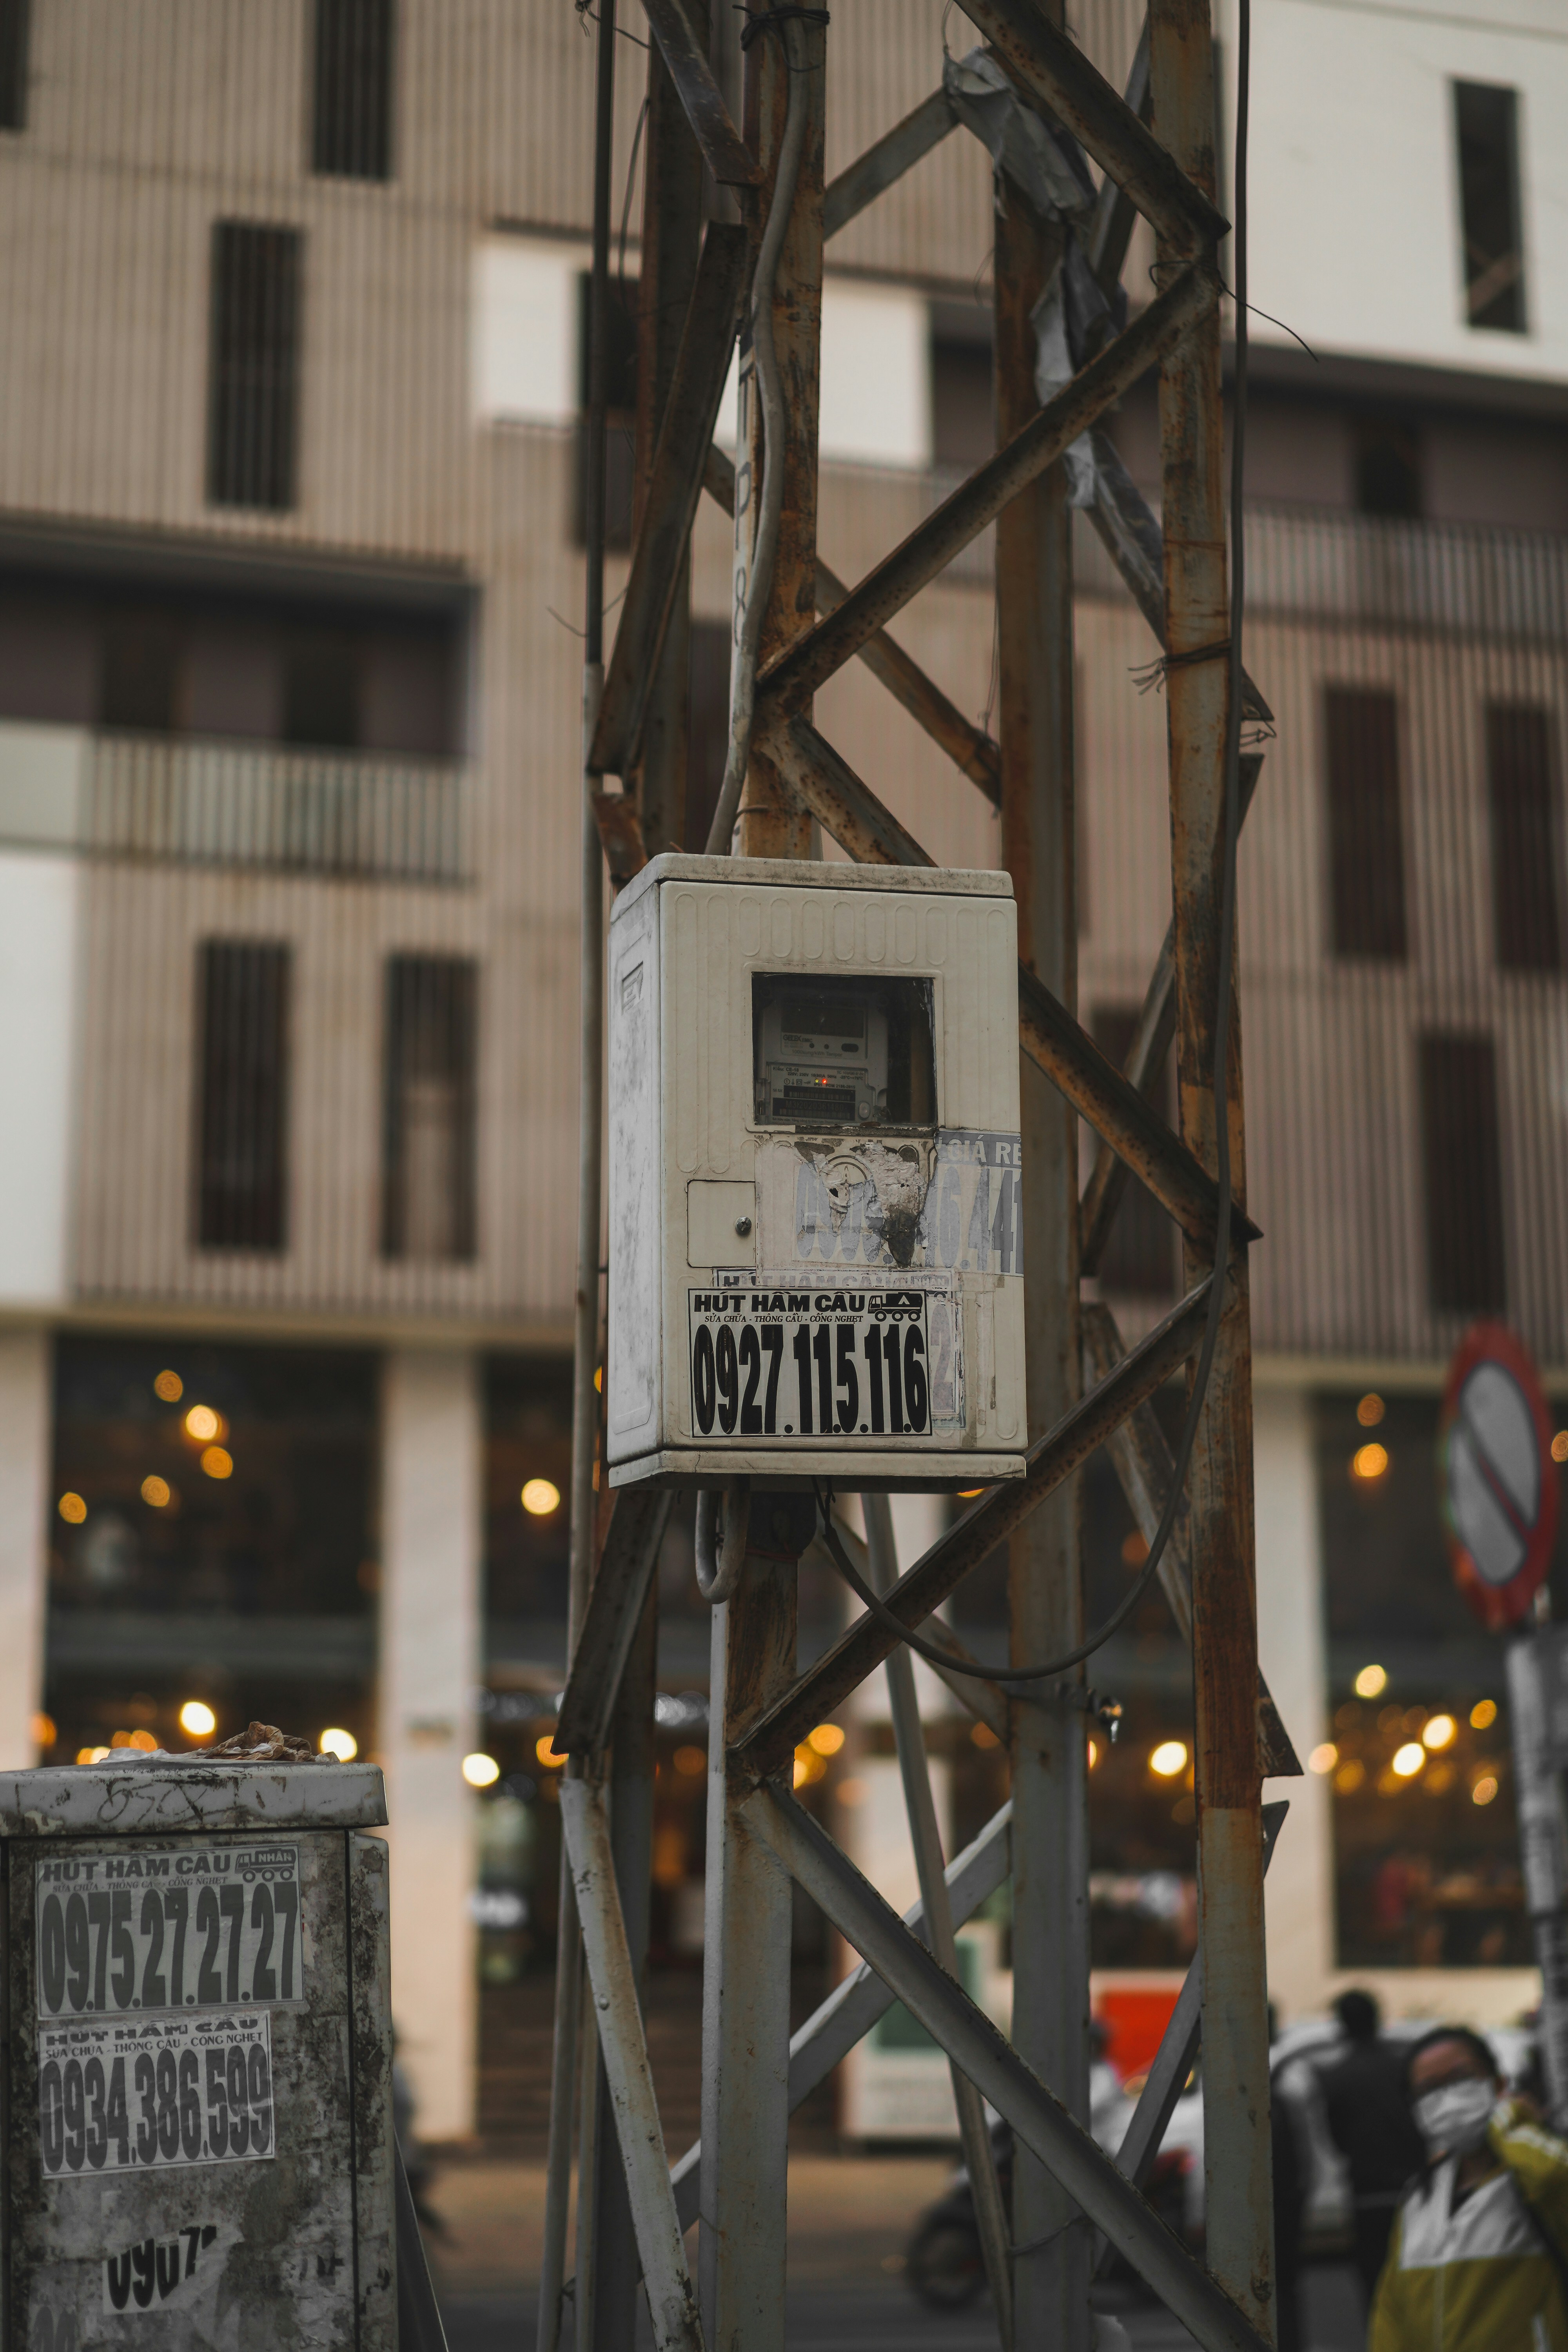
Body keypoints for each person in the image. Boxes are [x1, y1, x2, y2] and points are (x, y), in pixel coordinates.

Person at [1369, 2025, 1568, 2350]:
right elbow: (1391, 2311)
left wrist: (1511, 2118)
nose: (1447, 2099)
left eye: (1460, 2080)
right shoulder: (1419, 2196)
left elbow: (1553, 2178)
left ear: (1499, 2084)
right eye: (1429, 2089)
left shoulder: (1530, 2170)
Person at [1321, 1988, 1426, 2304]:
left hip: (1366, 2192)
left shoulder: (1336, 2077)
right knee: (1417, 2278)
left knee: (1376, 2284)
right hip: (1415, 2187)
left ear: (1342, 2026)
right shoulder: (1406, 2068)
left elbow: (1336, 2138)